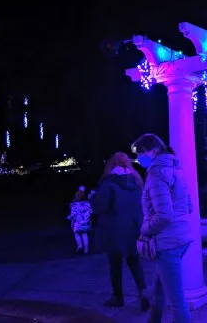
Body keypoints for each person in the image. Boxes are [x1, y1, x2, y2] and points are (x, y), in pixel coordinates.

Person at [131, 134, 193, 323]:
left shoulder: (157, 173)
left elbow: (164, 215)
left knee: (177, 302)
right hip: (180, 237)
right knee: (159, 291)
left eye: (140, 153)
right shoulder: (175, 168)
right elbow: (188, 205)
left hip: (168, 242)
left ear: (153, 151)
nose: (138, 158)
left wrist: (144, 230)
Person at [90, 152, 149, 310]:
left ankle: (118, 297)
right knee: (134, 261)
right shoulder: (137, 180)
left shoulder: (109, 182)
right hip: (134, 227)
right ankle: (143, 294)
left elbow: (99, 207)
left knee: (115, 264)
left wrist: (92, 197)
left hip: (114, 230)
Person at [68, 186, 92, 254]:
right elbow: (90, 211)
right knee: (84, 234)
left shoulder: (74, 204)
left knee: (77, 234)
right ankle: (86, 249)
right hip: (85, 221)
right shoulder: (87, 203)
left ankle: (79, 246)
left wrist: (69, 217)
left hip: (76, 222)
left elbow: (73, 214)